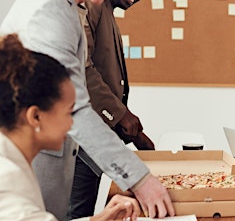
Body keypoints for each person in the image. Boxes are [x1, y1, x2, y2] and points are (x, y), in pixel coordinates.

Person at [0, 0, 174, 219]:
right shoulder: (48, 10)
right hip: (37, 165)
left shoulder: (70, 7)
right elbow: (77, 108)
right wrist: (139, 180)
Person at [0, 33, 141, 221]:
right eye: (69, 112)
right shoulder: (9, 179)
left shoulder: (13, 161)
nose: (72, 123)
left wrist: (99, 219)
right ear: (36, 116)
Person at [71, 0, 156, 217]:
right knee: (75, 214)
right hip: (78, 145)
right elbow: (82, 69)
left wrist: (130, 126)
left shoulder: (107, 11)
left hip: (95, 143)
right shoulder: (93, 5)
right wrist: (121, 117)